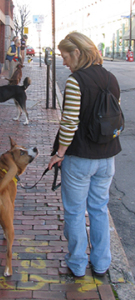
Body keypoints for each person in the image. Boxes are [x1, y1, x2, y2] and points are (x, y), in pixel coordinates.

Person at [48, 32, 122, 278]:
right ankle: (101, 264)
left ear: (77, 52)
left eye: (65, 56)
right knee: (99, 208)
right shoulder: (111, 78)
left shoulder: (75, 81)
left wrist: (59, 154)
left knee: (75, 211)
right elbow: (114, 115)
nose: (64, 62)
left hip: (80, 157)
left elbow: (69, 123)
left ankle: (78, 263)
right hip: (107, 158)